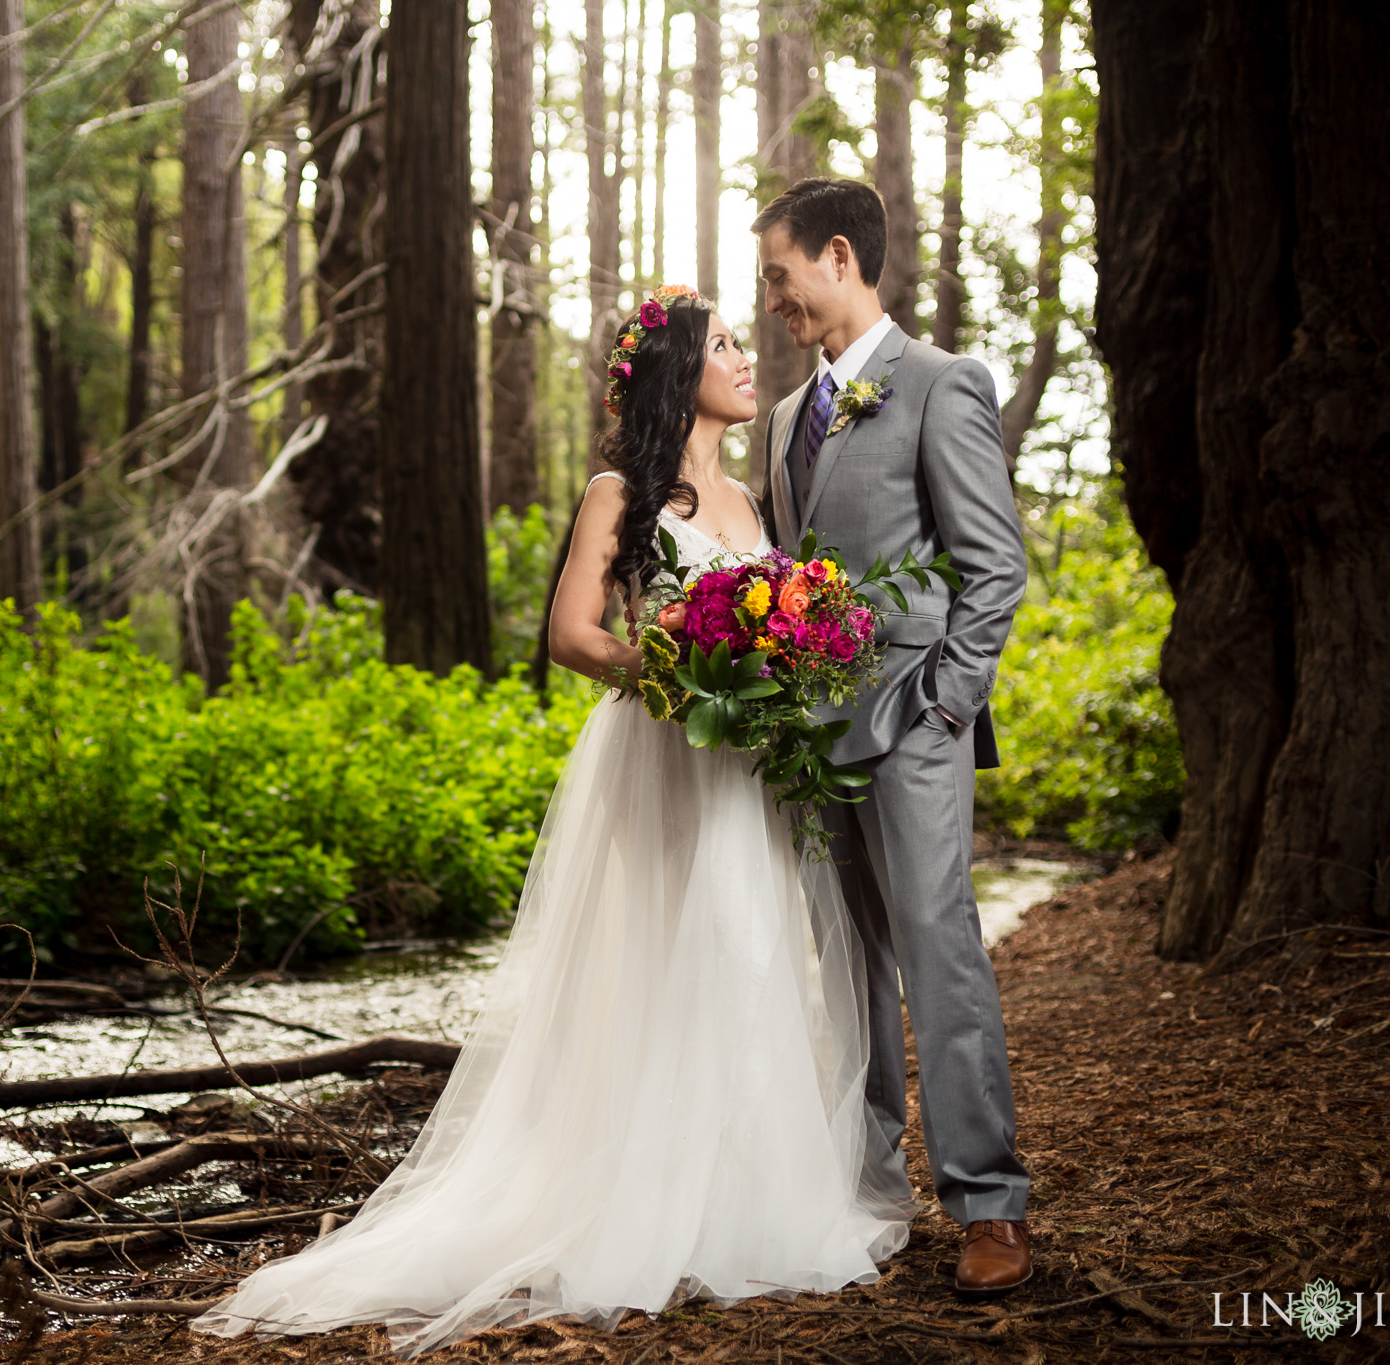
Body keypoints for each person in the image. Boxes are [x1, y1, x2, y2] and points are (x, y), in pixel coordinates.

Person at [190, 288, 919, 1357]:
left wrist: (776, 668)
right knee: (673, 952)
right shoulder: (619, 492)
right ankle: (635, 1202)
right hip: (663, 749)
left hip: (742, 761)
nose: (744, 358)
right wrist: (675, 663)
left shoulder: (754, 504)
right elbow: (572, 634)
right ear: (679, 371)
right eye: (722, 345)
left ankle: (743, 1197)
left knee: (752, 954)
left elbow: (780, 616)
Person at [753, 177, 1033, 1296]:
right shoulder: (780, 423)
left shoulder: (937, 384)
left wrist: (944, 705)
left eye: (777, 274)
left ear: (834, 257)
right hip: (810, 738)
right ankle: (871, 1192)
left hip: (914, 721)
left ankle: (990, 1206)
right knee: (847, 969)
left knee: (936, 949)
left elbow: (991, 563)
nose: (770, 297)